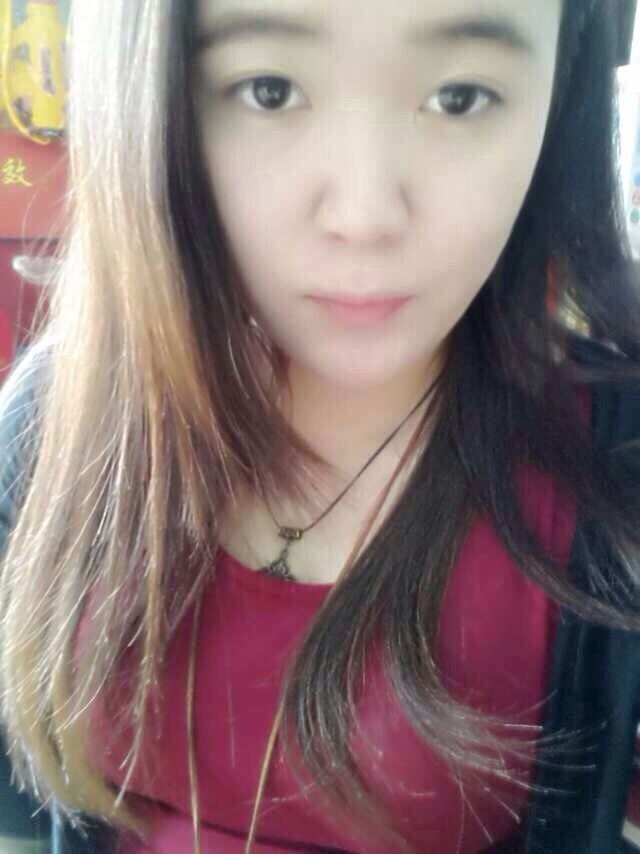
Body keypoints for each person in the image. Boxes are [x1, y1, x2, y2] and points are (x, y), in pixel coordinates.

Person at [0, 0, 640, 852]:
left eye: (460, 97)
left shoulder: (609, 468)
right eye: (268, 89)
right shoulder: (56, 420)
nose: (365, 216)